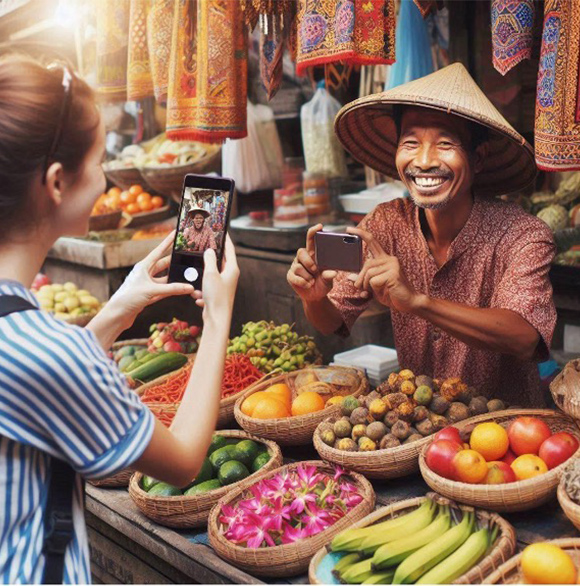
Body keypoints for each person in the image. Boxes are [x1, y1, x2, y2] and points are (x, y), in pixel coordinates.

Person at [0, 55, 239, 583]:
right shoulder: (45, 351)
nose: (107, 176)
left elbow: (38, 379)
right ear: (57, 182)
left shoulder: (25, 337)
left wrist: (116, 310)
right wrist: (219, 317)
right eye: (99, 158)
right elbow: (182, 462)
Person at [288, 63, 556, 406]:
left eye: (445, 143)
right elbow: (332, 321)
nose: (424, 161)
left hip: (505, 436)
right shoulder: (384, 225)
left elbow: (524, 336)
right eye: (411, 142)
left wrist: (418, 302)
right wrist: (313, 298)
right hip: (417, 427)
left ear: (478, 158)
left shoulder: (523, 234)